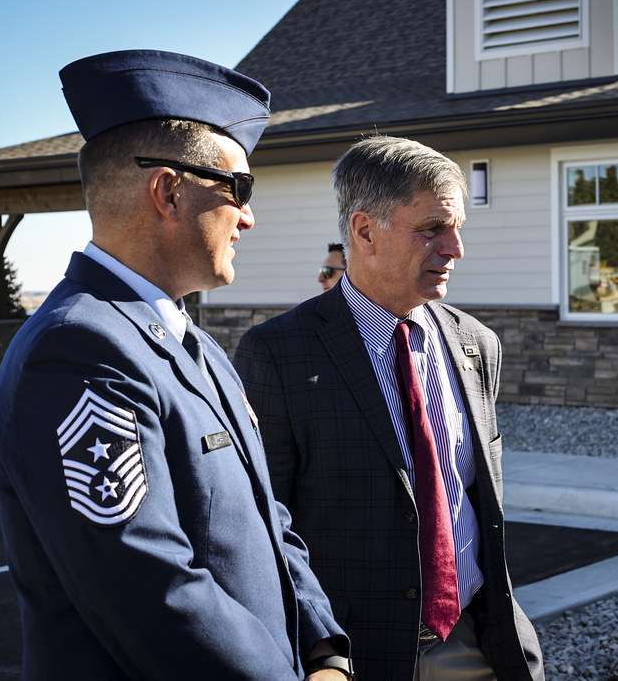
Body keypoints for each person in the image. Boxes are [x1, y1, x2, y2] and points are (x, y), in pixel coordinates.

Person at [0, 49, 351, 680]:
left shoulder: (194, 345)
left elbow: (268, 522)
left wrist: (326, 650)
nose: (249, 216)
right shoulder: (78, 352)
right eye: (239, 187)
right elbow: (154, 592)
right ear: (168, 191)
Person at [233, 135, 544, 680]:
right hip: (354, 653)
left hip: (476, 640)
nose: (454, 249)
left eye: (457, 230)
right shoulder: (278, 353)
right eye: (431, 230)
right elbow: (264, 525)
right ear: (364, 230)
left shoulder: (477, 345)